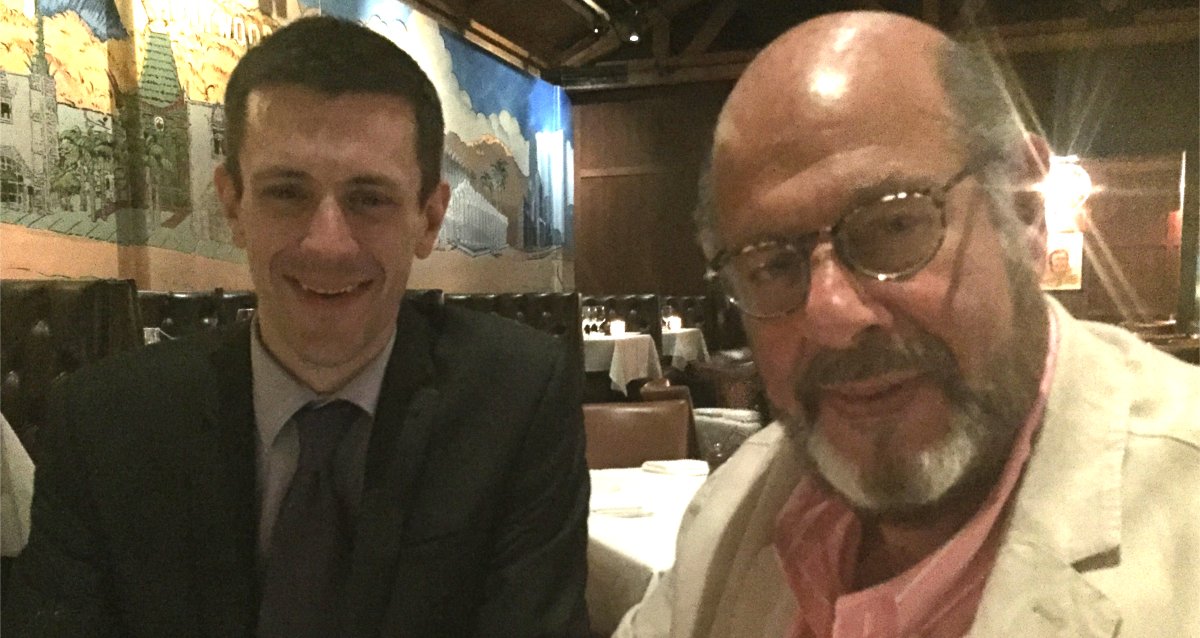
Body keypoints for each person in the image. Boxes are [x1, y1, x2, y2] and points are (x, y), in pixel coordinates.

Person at [617, 11, 1199, 638]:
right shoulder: (732, 510)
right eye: (772, 264)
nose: (832, 316)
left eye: (895, 225)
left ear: (1024, 207)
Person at [4, 16, 590, 637]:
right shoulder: (104, 425)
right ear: (233, 205)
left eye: (369, 198)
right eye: (287, 193)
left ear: (429, 218)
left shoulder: (517, 402)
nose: (327, 244)